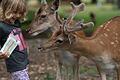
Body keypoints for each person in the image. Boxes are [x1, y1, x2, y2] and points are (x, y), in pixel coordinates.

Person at [0, 0, 30, 80]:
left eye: (20, 13)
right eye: (14, 12)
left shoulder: (16, 22)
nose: (17, 15)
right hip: (16, 64)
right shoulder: (2, 26)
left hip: (24, 61)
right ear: (5, 9)